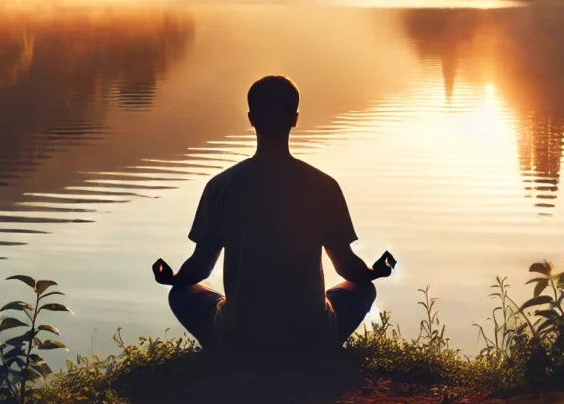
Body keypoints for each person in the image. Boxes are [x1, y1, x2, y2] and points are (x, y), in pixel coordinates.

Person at [152, 75, 396, 357]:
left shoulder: (221, 186)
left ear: (251, 118)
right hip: (310, 335)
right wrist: (374, 272)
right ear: (294, 119)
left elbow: (200, 267)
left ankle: (231, 348)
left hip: (241, 337)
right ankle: (311, 347)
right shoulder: (323, 186)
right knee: (362, 289)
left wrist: (172, 278)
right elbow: (347, 268)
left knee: (182, 294)